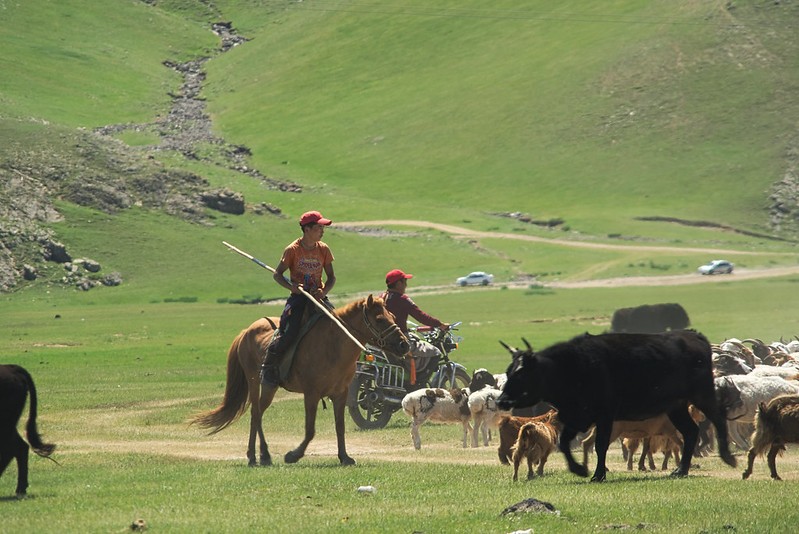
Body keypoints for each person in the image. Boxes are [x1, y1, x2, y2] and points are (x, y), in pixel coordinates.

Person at [260, 210, 336, 387]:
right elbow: (278, 274)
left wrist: (323, 292)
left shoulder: (324, 249)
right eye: (319, 227)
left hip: (318, 298)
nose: (322, 231)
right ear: (307, 229)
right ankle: (270, 367)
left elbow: (331, 278)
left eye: (322, 228)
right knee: (291, 330)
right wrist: (292, 287)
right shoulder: (292, 250)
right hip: (299, 298)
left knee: (337, 325)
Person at [381, 269, 449, 374]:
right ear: (399, 283)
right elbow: (421, 317)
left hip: (383, 341)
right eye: (405, 282)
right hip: (400, 340)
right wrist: (440, 324)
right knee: (435, 352)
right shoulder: (402, 299)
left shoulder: (381, 297)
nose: (406, 285)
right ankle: (418, 383)